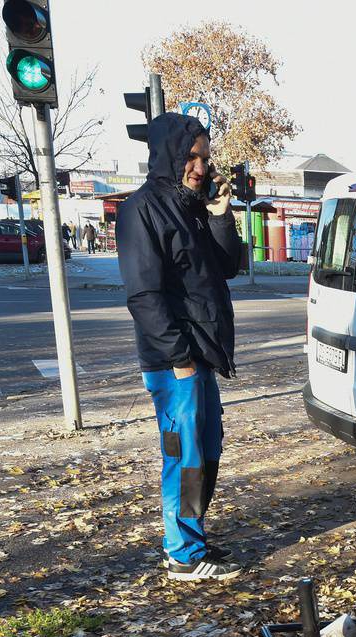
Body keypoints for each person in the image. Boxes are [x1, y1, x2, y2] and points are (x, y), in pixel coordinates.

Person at [118, 113, 247, 581]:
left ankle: (193, 537)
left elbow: (229, 265)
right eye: (192, 157)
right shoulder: (142, 209)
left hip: (201, 355)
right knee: (183, 453)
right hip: (175, 362)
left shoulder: (194, 206)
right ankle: (182, 554)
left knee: (206, 450)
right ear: (169, 156)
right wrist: (179, 359)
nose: (200, 166)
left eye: (205, 158)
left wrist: (219, 217)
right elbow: (144, 295)